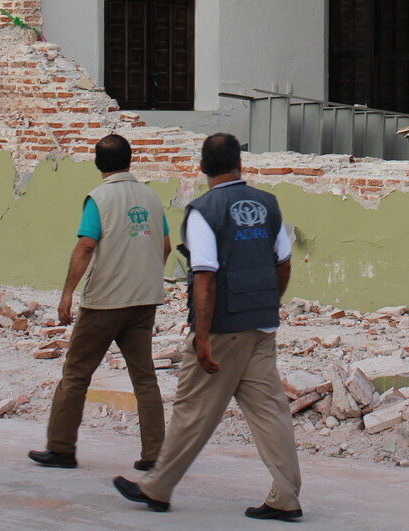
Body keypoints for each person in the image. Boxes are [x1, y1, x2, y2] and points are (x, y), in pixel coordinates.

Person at [113, 132, 302, 521]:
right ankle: (286, 495)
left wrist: (201, 336)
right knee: (270, 412)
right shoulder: (268, 204)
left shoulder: (204, 210)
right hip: (261, 326)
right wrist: (269, 302)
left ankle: (157, 487)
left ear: (201, 168)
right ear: (240, 165)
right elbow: (283, 263)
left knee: (191, 409)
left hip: (222, 327)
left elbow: (205, 275)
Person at [29, 133, 170, 472]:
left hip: (105, 302)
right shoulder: (151, 197)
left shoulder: (99, 198)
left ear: (97, 162)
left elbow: (86, 247)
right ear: (130, 160)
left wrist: (67, 294)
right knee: (145, 378)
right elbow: (164, 246)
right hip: (144, 301)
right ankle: (155, 455)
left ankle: (61, 448)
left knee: (76, 374)